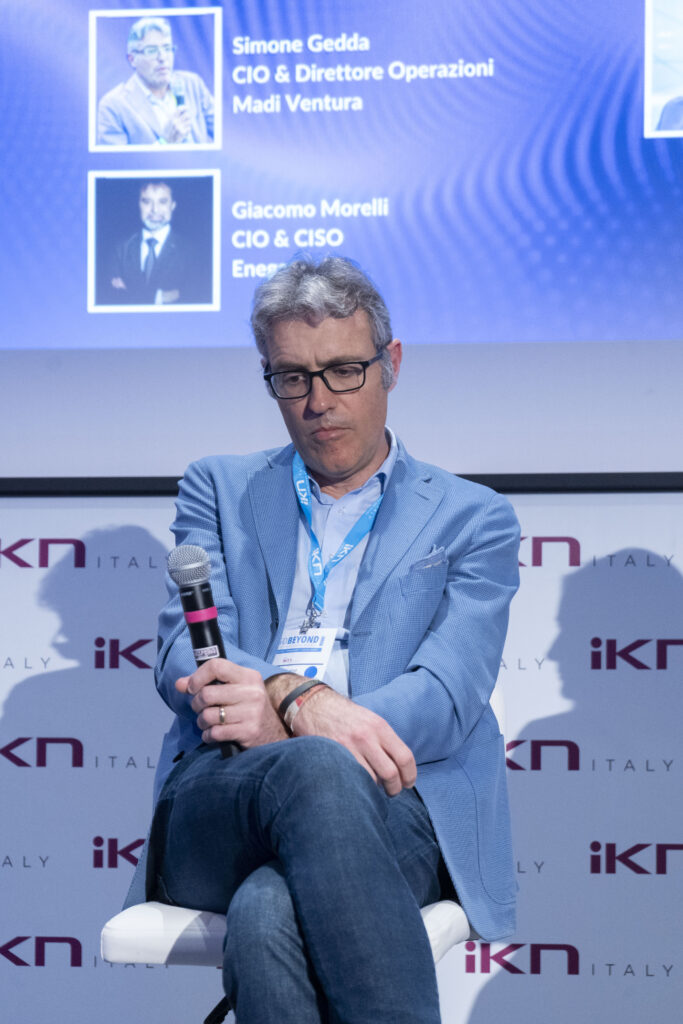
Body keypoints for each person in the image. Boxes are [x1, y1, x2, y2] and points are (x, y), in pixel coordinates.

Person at [128, 256, 520, 1023]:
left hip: (395, 797)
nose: (317, 401)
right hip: (225, 792)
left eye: (343, 371)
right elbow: (186, 652)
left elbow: (447, 696)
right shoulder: (219, 487)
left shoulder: (472, 517)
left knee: (267, 911)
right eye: (290, 377)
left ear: (390, 363)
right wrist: (297, 700)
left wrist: (301, 717)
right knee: (312, 765)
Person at [97, 16, 214, 146]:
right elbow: (115, 159)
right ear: (132, 59)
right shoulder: (113, 106)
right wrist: (166, 143)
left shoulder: (193, 84)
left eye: (167, 48)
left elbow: (225, 135)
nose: (162, 57)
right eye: (152, 51)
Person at [108, 181, 207, 306]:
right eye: (146, 202)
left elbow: (195, 294)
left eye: (162, 202)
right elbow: (112, 296)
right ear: (138, 205)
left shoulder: (191, 251)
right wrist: (162, 296)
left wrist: (130, 290)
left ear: (173, 206)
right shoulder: (121, 249)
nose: (154, 210)